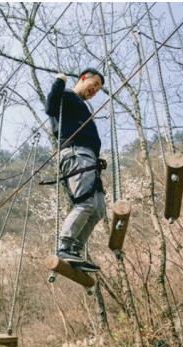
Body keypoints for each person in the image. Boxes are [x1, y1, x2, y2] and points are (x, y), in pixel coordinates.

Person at [45, 68, 106, 272]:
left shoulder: (81, 106)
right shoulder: (67, 96)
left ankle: (75, 251)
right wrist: (59, 82)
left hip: (89, 159)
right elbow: (50, 107)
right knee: (85, 202)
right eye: (94, 84)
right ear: (82, 79)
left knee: (98, 209)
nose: (95, 90)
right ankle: (64, 246)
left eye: (98, 89)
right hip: (76, 154)